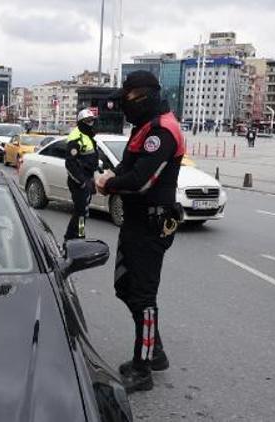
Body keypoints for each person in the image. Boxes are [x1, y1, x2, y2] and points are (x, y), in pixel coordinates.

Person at [95, 71, 185, 393]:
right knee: (125, 288)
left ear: (144, 95)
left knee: (144, 298)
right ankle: (155, 351)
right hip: (134, 222)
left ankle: (143, 367)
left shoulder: (162, 131)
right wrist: (113, 178)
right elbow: (128, 168)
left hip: (150, 225)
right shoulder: (143, 128)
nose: (126, 105)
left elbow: (142, 180)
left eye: (130, 97)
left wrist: (110, 184)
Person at [64, 108, 99, 240]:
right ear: (81, 122)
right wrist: (82, 182)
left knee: (83, 212)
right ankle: (76, 237)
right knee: (81, 212)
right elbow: (70, 164)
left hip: (88, 178)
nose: (91, 123)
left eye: (92, 121)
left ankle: (76, 236)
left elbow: (90, 157)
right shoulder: (76, 137)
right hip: (79, 181)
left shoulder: (88, 136)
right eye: (88, 121)